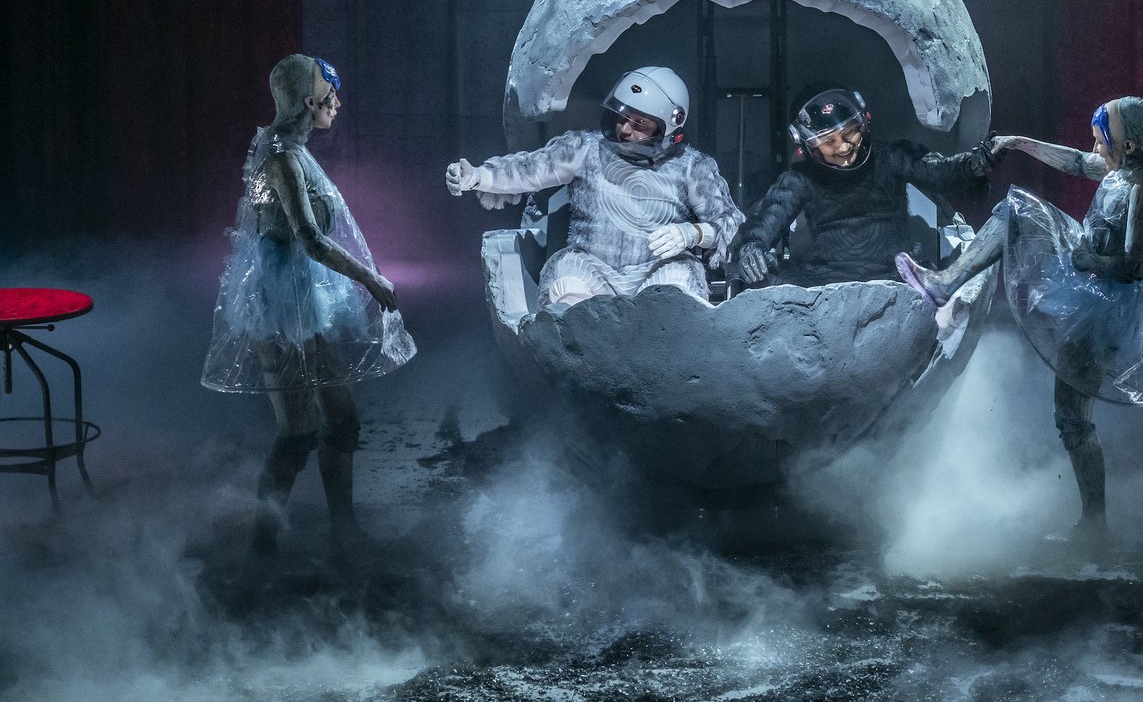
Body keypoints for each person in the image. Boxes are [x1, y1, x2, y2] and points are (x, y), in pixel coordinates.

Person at [895, 96, 1143, 534]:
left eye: (1101, 139)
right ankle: (946, 282)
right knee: (1012, 211)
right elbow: (1077, 162)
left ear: (1127, 146)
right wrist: (1019, 142)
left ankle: (1095, 525)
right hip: (1088, 277)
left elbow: (1135, 267)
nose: (1094, 147)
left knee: (1072, 417)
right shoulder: (1121, 169)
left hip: (1103, 307)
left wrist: (1089, 261)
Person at [204, 54, 415, 557]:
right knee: (297, 433)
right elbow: (312, 239)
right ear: (307, 101)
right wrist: (371, 279)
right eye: (329, 95)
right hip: (282, 309)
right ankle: (263, 546)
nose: (336, 104)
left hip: (303, 300)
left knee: (341, 420)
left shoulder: (293, 151)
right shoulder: (281, 158)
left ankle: (343, 531)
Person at [445, 66, 743, 306]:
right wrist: (479, 176)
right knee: (567, 280)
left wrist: (693, 233)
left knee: (676, 287)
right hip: (592, 268)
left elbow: (731, 223)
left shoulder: (692, 167)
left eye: (640, 123)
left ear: (668, 127)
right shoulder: (585, 149)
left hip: (657, 271)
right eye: (623, 117)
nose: (625, 129)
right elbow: (530, 168)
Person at [731, 87, 1000, 287]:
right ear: (807, 146)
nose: (843, 147)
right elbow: (766, 220)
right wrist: (752, 248)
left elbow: (940, 172)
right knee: (774, 281)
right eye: (829, 142)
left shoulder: (891, 156)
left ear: (865, 122)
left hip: (894, 276)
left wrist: (974, 164)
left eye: (850, 132)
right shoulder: (799, 179)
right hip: (825, 282)